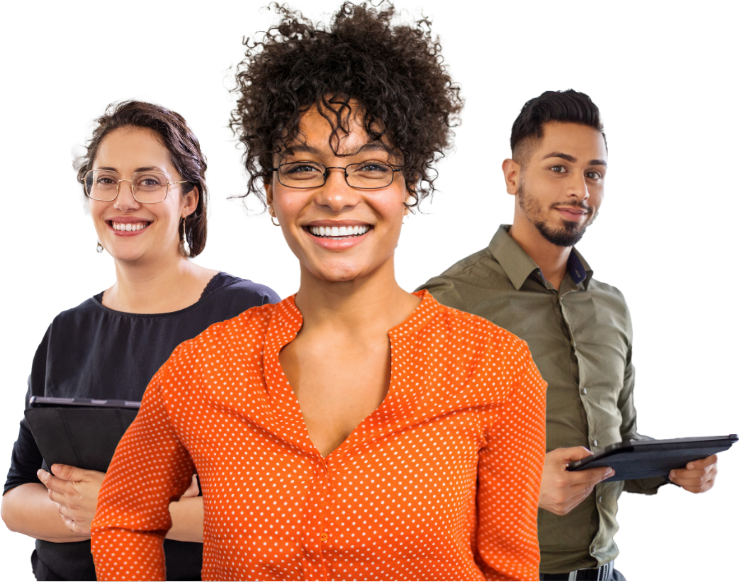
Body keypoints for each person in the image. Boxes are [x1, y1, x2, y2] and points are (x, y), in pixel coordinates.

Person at [90, 2, 548, 581]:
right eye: (304, 168)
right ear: (269, 190)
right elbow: (124, 518)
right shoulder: (202, 370)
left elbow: (512, 571)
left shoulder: (498, 370)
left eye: (370, 167)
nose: (336, 196)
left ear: (410, 187)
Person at [416, 87, 721, 581]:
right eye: (559, 168)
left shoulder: (611, 307)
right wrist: (521, 484)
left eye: (594, 173)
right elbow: (393, 463)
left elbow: (614, 442)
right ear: (512, 175)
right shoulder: (447, 302)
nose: (580, 190)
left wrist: (667, 467)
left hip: (604, 570)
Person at [0, 94, 281, 582]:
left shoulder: (248, 313)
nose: (123, 200)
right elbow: (16, 500)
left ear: (189, 199)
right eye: (105, 181)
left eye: (148, 182)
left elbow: (280, 504)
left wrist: (109, 504)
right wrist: (169, 507)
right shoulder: (66, 331)